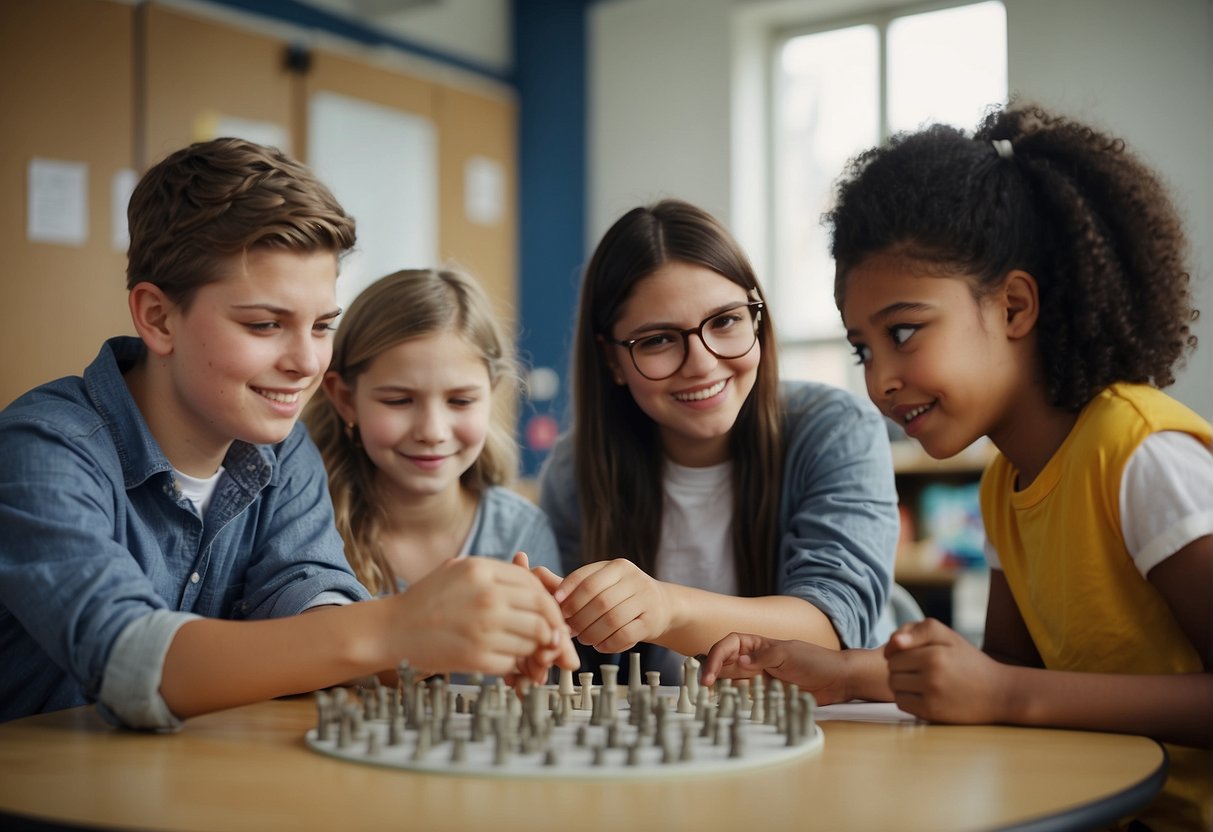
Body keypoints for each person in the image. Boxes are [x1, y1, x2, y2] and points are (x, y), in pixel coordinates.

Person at [701, 104, 1211, 830]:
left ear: (1012, 306)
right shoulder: (1005, 483)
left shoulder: (1139, 455)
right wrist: (845, 675)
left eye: (903, 332)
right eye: (863, 349)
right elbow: (1004, 669)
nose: (879, 380)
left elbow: (1008, 688)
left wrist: (1004, 694)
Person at [0, 138, 575, 729]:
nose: (306, 362)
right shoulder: (41, 452)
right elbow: (132, 659)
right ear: (157, 316)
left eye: (323, 325)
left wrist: (446, 629)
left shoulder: (282, 449)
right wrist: (397, 626)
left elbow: (311, 604)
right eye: (265, 324)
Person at [537, 198, 900, 683]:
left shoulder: (836, 429)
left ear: (757, 317)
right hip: (672, 741)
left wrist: (667, 607)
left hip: (841, 727)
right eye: (659, 340)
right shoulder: (574, 472)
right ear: (611, 361)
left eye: (725, 321)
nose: (703, 363)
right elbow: (573, 663)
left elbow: (831, 628)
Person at [303, 267, 561, 596]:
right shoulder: (306, 524)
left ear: (491, 392)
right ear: (345, 398)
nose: (432, 432)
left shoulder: (521, 532)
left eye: (461, 400)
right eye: (399, 400)